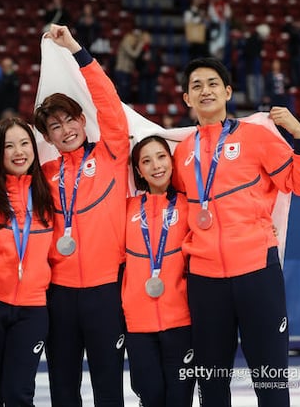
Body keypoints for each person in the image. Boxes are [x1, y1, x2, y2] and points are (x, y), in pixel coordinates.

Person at [173, 57, 300, 407]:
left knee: (270, 381)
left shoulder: (255, 137)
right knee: (211, 386)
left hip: (257, 272)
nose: (205, 91)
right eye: (196, 86)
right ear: (187, 99)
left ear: (227, 92)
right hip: (205, 280)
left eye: (212, 84)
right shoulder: (181, 152)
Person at [33, 24, 129, 406]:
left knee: (108, 386)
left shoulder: (111, 154)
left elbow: (108, 101)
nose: (65, 130)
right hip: (59, 294)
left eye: (69, 120)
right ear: (48, 138)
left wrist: (76, 49)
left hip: (106, 290)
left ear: (82, 120)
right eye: (55, 126)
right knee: (63, 387)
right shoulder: (43, 175)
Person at [0, 117, 54, 405]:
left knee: (18, 393)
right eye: (9, 146)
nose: (18, 152)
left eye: (24, 143)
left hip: (33, 309)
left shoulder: (48, 194)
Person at [123, 135, 195, 407]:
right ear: (138, 171)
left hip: (182, 321)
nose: (156, 165)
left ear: (172, 161)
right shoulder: (126, 209)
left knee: (179, 399)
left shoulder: (190, 206)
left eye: (161, 156)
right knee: (150, 397)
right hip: (138, 324)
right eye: (146, 161)